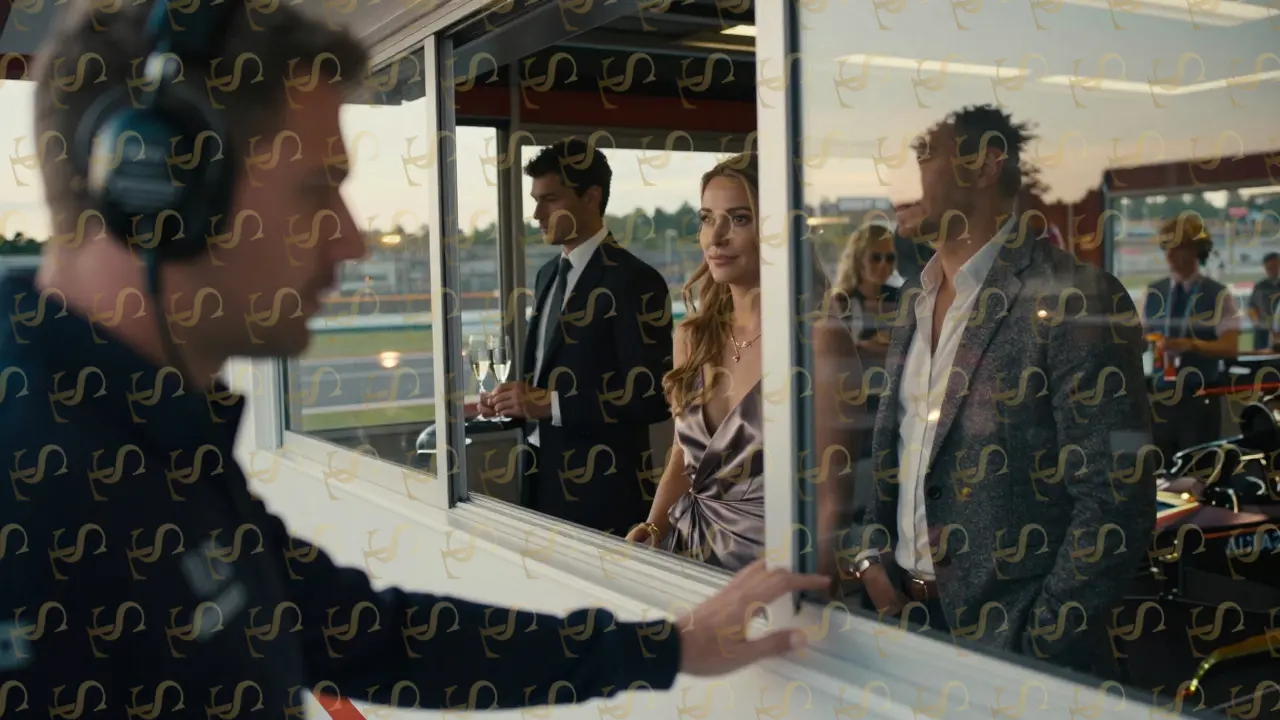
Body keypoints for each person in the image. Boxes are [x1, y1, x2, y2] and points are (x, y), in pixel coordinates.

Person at [0, 2, 830, 711]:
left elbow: (379, 637)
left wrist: (666, 647)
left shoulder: (161, 446)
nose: (354, 239)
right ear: (168, 190)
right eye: (316, 188)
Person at [843, 105, 1155, 677]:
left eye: (921, 155)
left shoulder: (1076, 297)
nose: (898, 177)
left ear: (985, 163)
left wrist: (1036, 641)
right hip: (901, 623)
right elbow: (890, 452)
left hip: (1017, 646)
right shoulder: (914, 297)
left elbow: (1117, 497)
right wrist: (871, 566)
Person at [627, 153, 860, 583]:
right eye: (706, 218)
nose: (714, 237)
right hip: (686, 557)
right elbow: (685, 454)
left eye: (738, 218)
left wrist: (811, 595)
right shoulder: (691, 338)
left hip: (775, 573)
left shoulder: (818, 341)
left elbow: (832, 495)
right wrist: (655, 524)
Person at [479, 140, 674, 537]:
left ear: (591, 197)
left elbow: (652, 396)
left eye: (550, 199)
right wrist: (514, 402)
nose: (536, 214)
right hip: (539, 481)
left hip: (604, 496)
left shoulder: (636, 281)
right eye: (535, 200)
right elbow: (550, 375)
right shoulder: (547, 274)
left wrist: (548, 403)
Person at [1141, 215, 1240, 459]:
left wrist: (1191, 344)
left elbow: (1230, 347)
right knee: (1159, 474)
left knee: (1199, 470)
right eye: (1166, 246)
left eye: (1178, 245)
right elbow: (1138, 339)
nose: (1169, 253)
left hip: (1199, 399)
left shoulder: (1219, 295)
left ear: (1197, 249)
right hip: (1160, 398)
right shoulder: (1153, 292)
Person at [1247, 251, 1279, 351]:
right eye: (1269, 268)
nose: (1272, 270)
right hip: (1262, 332)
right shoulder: (1260, 287)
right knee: (1261, 360)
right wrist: (1257, 323)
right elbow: (1251, 308)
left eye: (1275, 267)